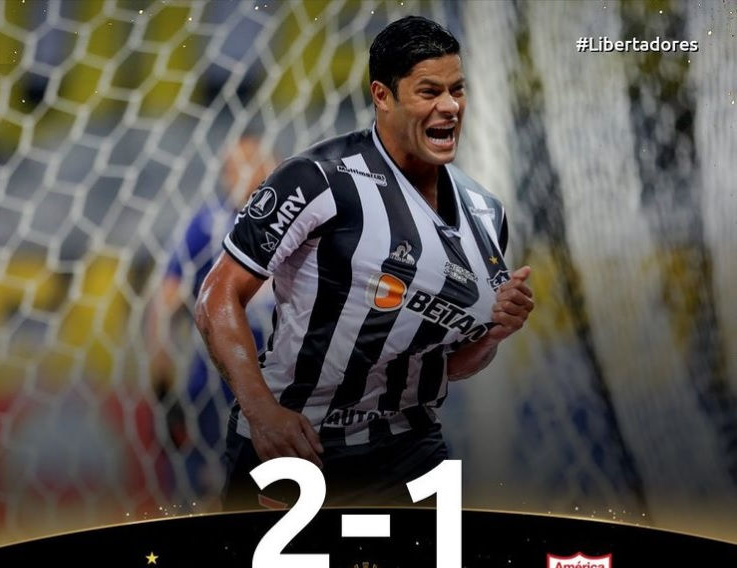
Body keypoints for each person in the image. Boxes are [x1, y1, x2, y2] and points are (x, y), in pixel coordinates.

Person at [195, 16, 534, 508]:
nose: (449, 106)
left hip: (411, 448)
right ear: (382, 96)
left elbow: (452, 364)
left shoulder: (486, 213)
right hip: (296, 443)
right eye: (429, 91)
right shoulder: (316, 179)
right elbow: (217, 295)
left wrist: (496, 331)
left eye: (457, 90)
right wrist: (262, 412)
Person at [146, 135, 277, 502]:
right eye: (233, 167)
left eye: (251, 163)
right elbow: (164, 306)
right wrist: (163, 390)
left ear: (274, 165)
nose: (243, 174)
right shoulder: (207, 225)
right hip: (215, 391)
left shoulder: (305, 223)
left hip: (284, 389)